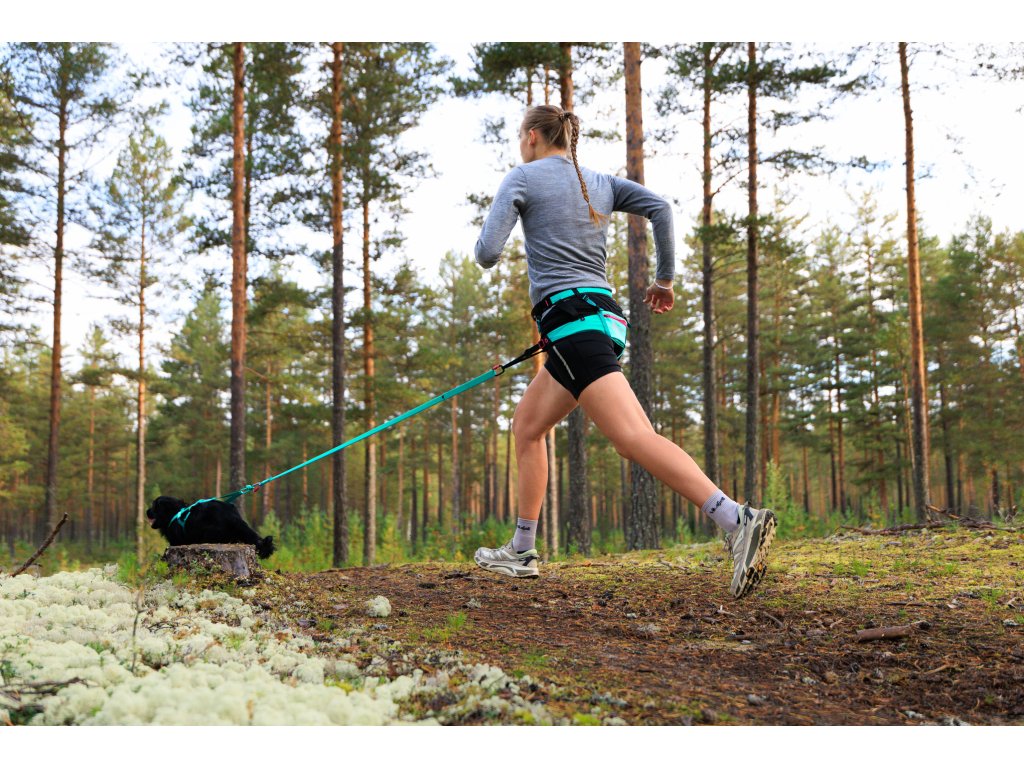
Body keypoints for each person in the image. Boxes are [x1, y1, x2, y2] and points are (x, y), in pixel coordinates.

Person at [472, 105, 776, 599]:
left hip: (572, 323)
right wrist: (664, 279)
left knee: (634, 437)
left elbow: (487, 253)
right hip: (601, 323)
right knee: (527, 426)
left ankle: (737, 519)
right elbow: (661, 208)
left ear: (531, 137)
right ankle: (522, 550)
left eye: (521, 137)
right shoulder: (599, 181)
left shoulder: (522, 177)